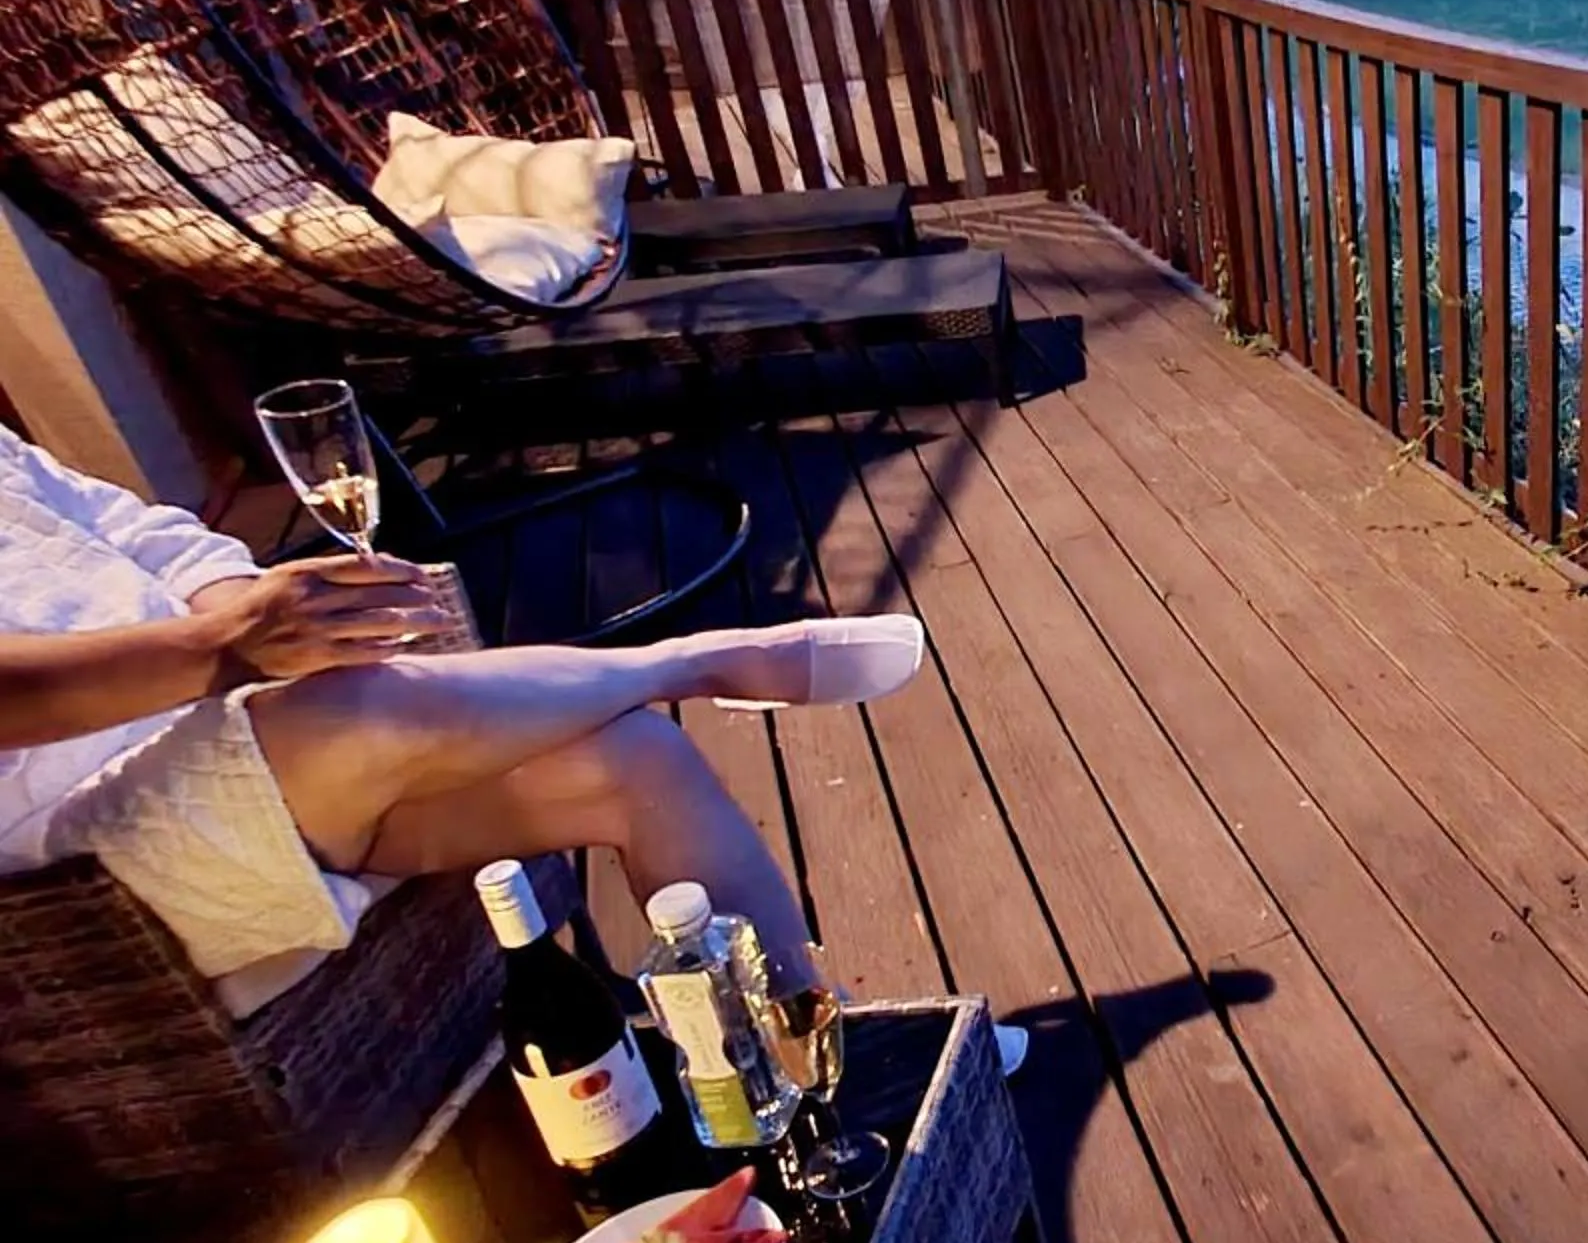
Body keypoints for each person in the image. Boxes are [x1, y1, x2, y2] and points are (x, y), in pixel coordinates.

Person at [0, 422, 923, 1012]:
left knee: (636, 763)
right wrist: (229, 647)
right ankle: (695, 658)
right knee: (370, 708)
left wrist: (265, 611)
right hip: (76, 850)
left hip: (232, 722)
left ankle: (810, 1039)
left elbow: (138, 530)